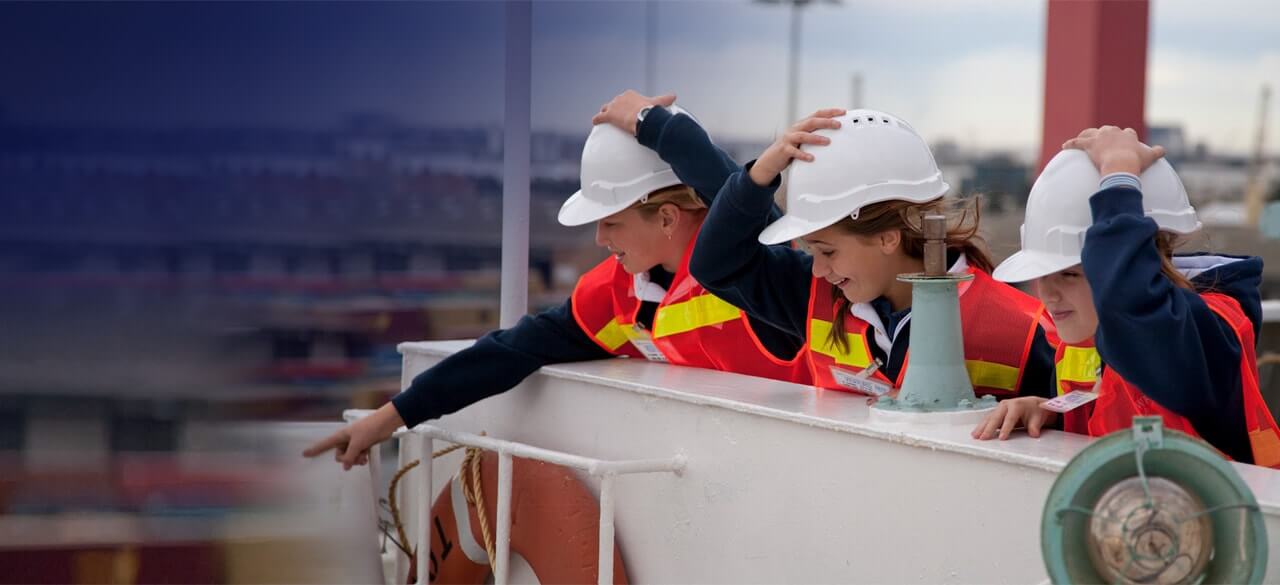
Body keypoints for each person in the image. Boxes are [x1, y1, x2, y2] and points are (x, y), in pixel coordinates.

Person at [305, 108, 807, 469]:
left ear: (669, 217)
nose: (598, 239)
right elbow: (511, 351)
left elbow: (741, 202)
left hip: (797, 471)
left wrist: (655, 124)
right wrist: (391, 416)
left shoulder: (755, 267)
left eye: (610, 222)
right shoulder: (617, 295)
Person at [686, 107, 1055, 399]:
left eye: (827, 250)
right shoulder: (816, 297)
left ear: (887, 238)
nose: (816, 270)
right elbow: (716, 264)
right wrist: (758, 177)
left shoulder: (1019, 330)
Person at [972, 126, 1280, 469]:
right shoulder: (1083, 337)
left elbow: (1135, 313)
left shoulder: (1201, 335)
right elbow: (1112, 408)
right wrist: (1051, 412)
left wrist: (1119, 174)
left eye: (1071, 274)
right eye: (1042, 275)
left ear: (1144, 260)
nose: (1048, 293)